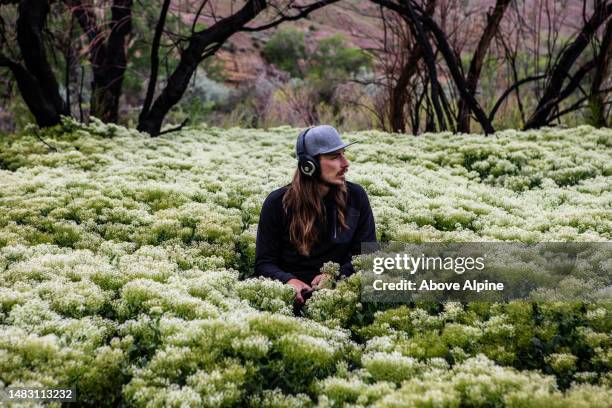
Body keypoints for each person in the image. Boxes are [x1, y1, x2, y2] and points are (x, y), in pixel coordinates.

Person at [255, 125, 377, 309]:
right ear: (308, 166)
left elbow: (367, 255)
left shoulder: (356, 196)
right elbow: (264, 263)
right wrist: (288, 281)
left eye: (343, 154)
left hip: (342, 298)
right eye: (335, 157)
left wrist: (336, 276)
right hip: (288, 301)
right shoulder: (277, 203)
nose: (346, 163)